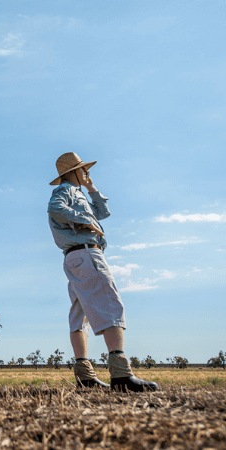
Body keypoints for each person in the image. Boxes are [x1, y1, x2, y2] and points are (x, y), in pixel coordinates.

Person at [47, 152, 159, 392]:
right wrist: (82, 221)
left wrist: (91, 188)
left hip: (74, 257)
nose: (87, 172)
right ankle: (120, 375)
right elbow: (55, 208)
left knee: (80, 313)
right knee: (111, 304)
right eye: (83, 169)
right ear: (72, 172)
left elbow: (103, 212)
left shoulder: (78, 193)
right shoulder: (65, 191)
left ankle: (85, 375)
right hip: (87, 253)